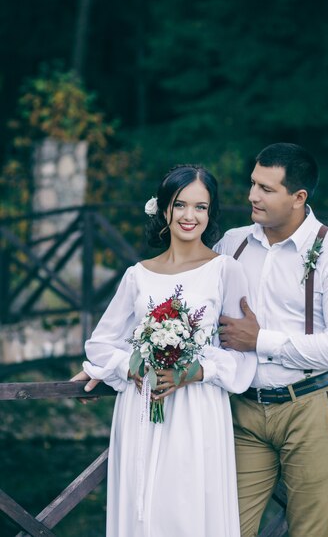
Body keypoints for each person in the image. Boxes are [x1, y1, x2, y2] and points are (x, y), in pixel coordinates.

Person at [72, 164, 257, 537]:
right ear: (164, 210)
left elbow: (242, 354)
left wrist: (192, 372)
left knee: (188, 507)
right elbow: (102, 342)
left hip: (197, 409)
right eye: (180, 205)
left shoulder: (225, 270)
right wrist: (125, 367)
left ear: (211, 212)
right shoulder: (137, 274)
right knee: (144, 511)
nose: (190, 216)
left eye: (201, 207)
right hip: (141, 406)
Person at [216, 142, 328, 537]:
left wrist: (261, 340)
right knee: (224, 527)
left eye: (266, 189)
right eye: (253, 183)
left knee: (310, 532)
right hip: (244, 411)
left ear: (299, 197)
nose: (252, 195)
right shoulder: (233, 244)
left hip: (312, 409)